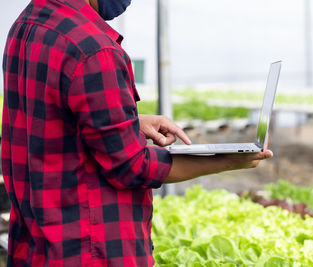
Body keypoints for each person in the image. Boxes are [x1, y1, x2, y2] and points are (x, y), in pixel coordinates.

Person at [1, 0, 273, 266]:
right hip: (90, 250)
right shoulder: (93, 49)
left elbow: (45, 114)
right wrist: (225, 160)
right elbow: (131, 166)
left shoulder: (27, 25)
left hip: (37, 244)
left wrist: (126, 121)